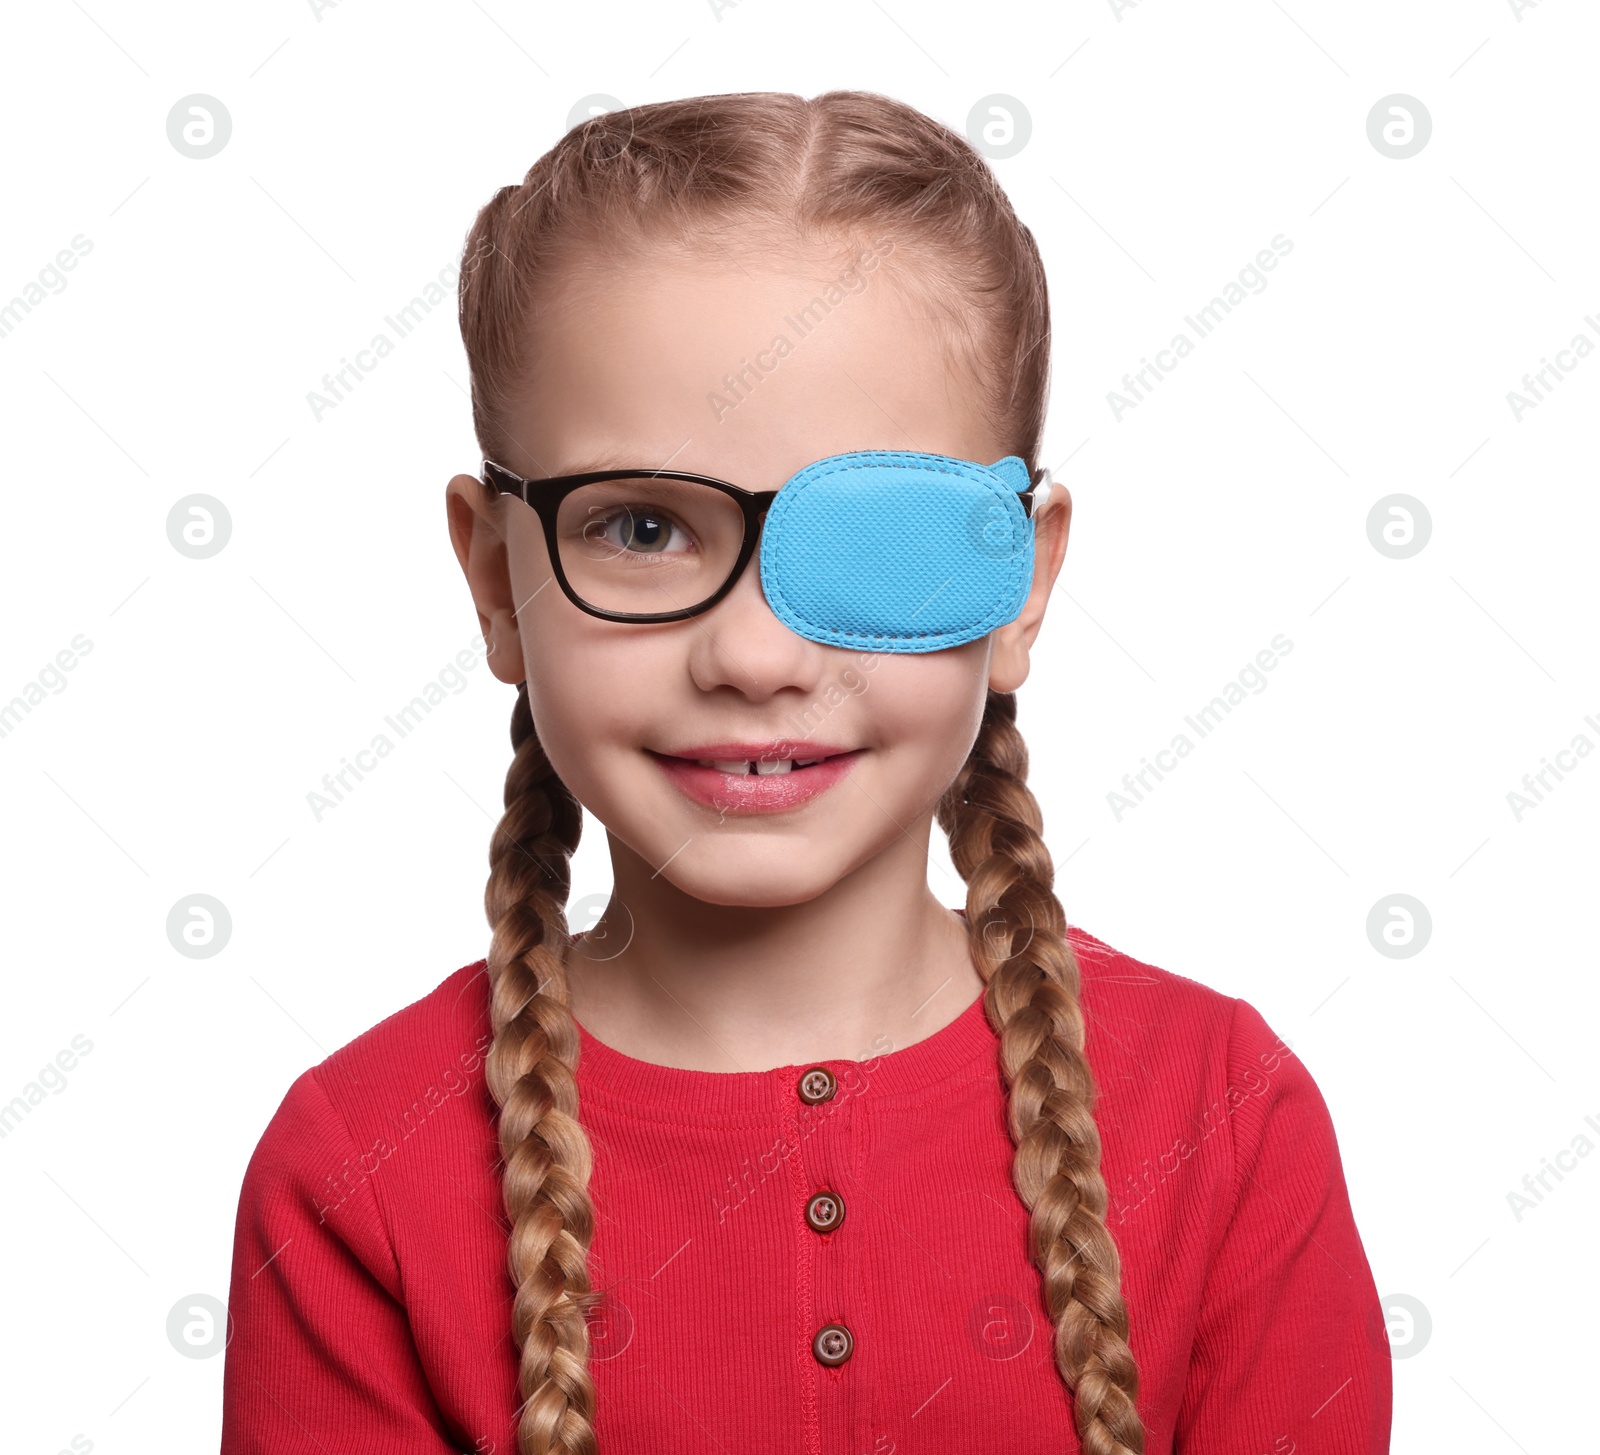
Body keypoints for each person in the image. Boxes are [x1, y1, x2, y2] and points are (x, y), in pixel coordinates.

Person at [220, 91, 1392, 1455]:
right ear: (495, 575)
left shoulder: (1227, 1124)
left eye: (872, 534)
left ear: (1021, 578)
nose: (756, 654)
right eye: (642, 525)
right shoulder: (352, 1172)